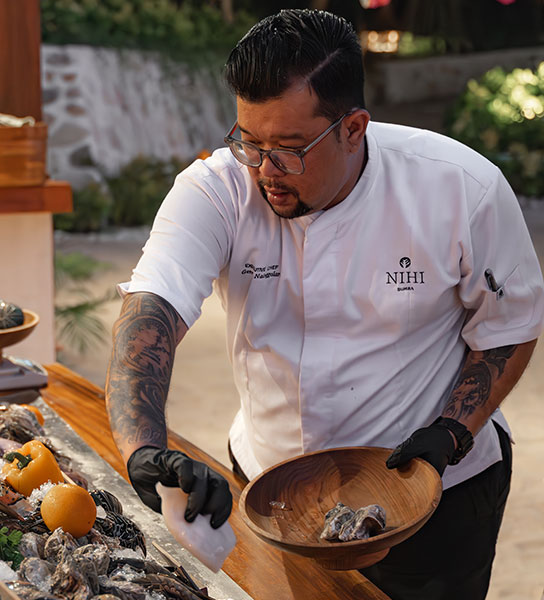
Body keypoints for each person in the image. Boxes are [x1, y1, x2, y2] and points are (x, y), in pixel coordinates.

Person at [104, 8, 544, 599]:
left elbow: (509, 326)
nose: (265, 170)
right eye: (249, 141)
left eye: (288, 148)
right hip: (273, 489)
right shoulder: (216, 188)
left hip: (437, 488)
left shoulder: (461, 187)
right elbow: (150, 312)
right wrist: (143, 451)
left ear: (354, 128)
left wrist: (452, 433)